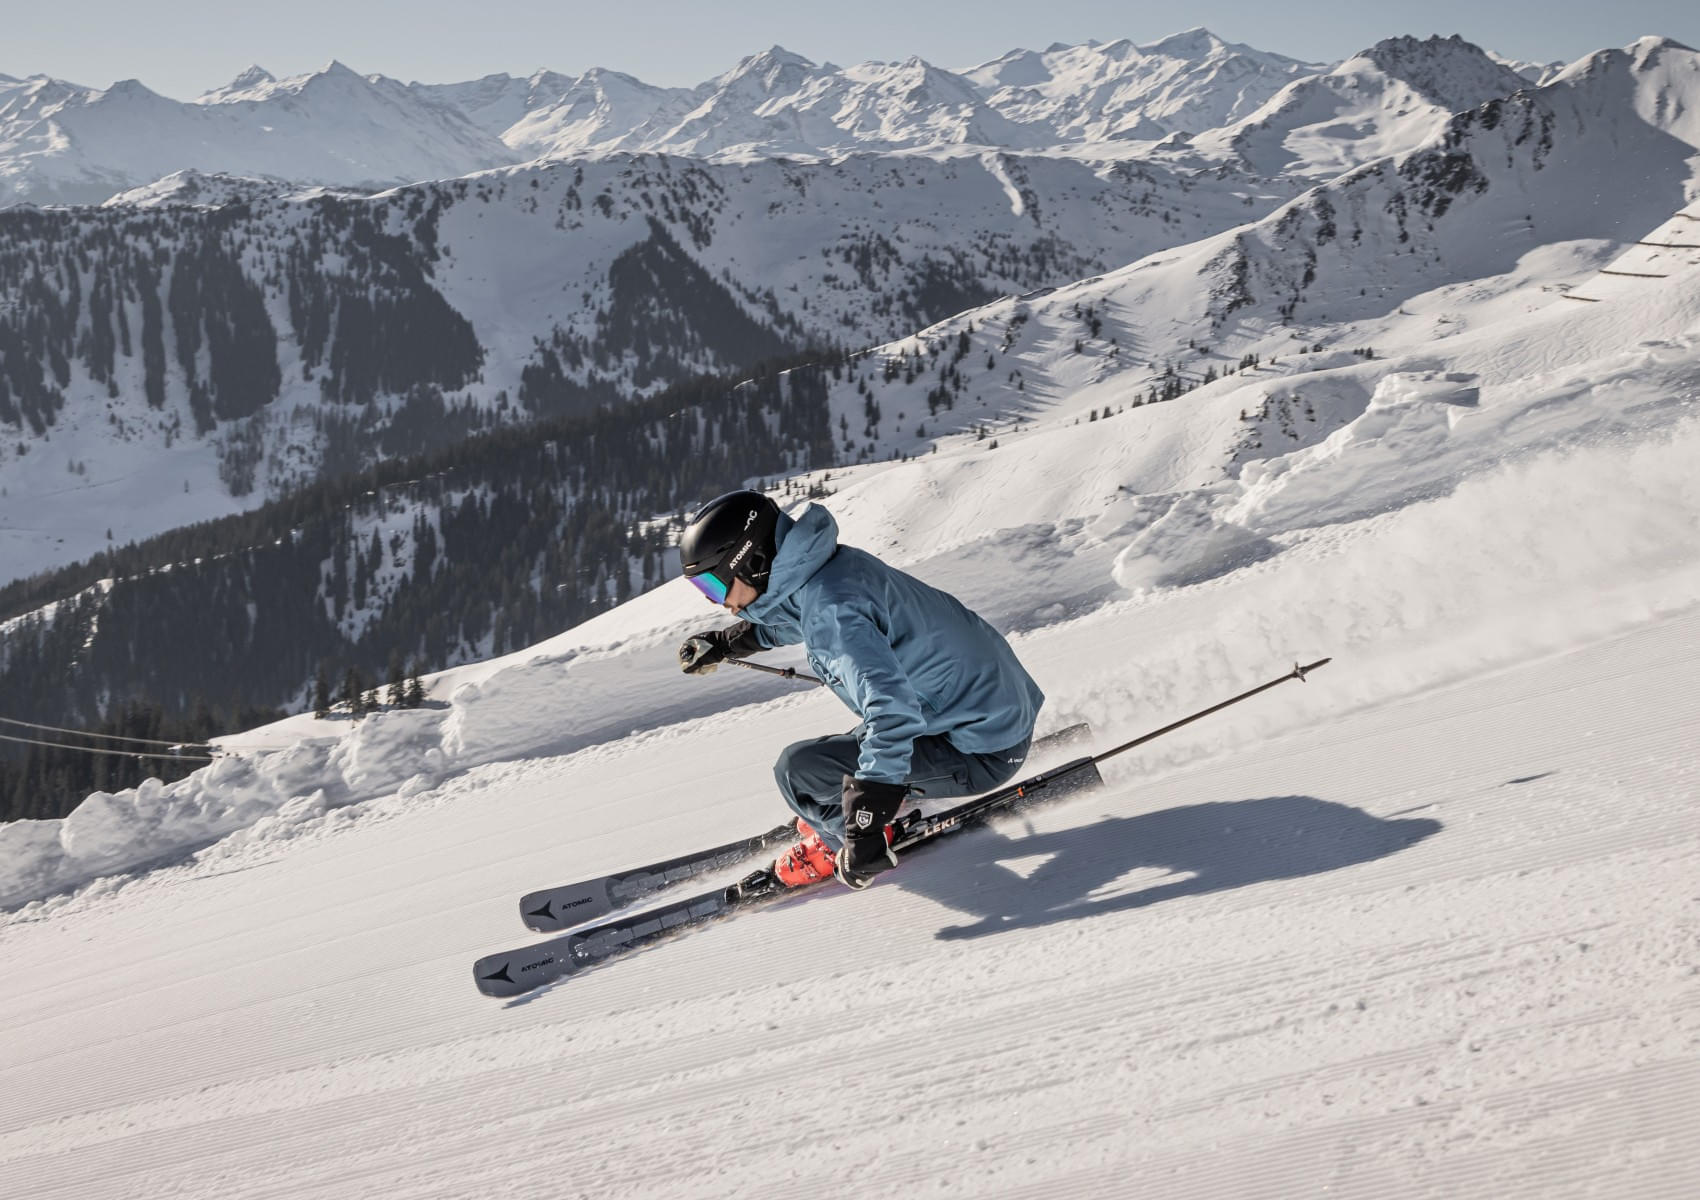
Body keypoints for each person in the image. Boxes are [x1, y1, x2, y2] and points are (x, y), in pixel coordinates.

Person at [676, 489, 1044, 890]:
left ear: (754, 562)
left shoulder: (832, 613)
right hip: (992, 710)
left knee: (797, 772)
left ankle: (836, 843)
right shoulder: (828, 571)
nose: (720, 603)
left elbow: (892, 712)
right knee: (840, 762)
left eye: (716, 586)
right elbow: (796, 615)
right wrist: (728, 642)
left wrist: (864, 823)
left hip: (980, 749)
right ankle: (847, 803)